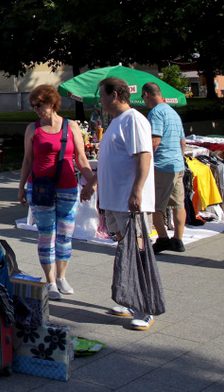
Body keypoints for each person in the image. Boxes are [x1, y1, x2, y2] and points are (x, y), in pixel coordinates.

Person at [81, 76, 156, 330]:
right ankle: (129, 298)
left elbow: (143, 156)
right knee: (125, 251)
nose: (99, 101)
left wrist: (137, 191)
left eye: (101, 96)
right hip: (114, 201)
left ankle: (145, 308)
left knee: (137, 252)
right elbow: (109, 160)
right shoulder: (116, 123)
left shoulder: (134, 119)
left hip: (128, 202)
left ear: (114, 95)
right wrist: (93, 183)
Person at [18, 85, 96, 300]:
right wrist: (21, 187)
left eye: (39, 105)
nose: (36, 109)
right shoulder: (33, 129)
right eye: (34, 106)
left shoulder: (71, 127)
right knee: (46, 234)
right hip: (40, 187)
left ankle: (62, 276)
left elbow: (81, 158)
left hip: (67, 186)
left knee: (65, 234)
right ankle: (50, 279)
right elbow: (27, 160)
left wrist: (92, 182)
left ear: (52, 103)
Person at [142, 82, 187, 254]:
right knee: (178, 204)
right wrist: (179, 158)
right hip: (177, 164)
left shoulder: (156, 113)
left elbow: (155, 141)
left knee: (156, 206)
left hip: (161, 165)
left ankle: (162, 239)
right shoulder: (173, 112)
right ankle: (178, 239)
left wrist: (145, 160)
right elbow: (182, 141)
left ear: (146, 94)